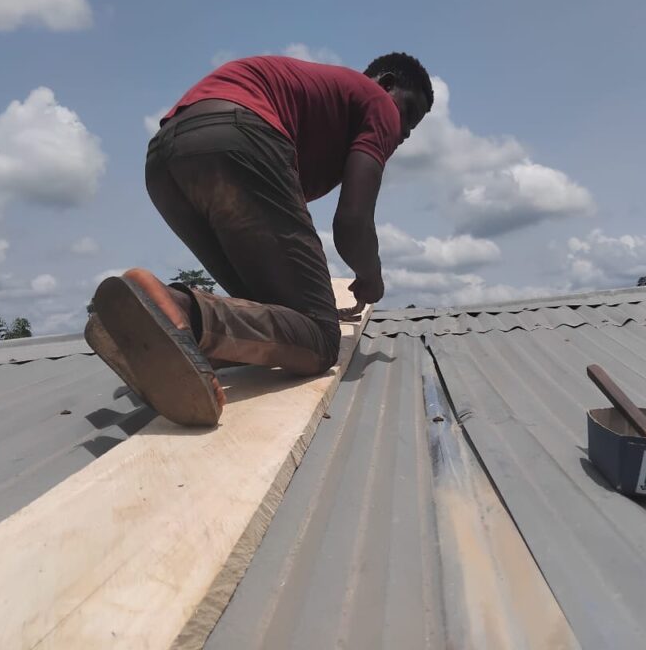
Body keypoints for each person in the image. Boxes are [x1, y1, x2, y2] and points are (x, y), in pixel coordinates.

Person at [86, 53, 433, 426]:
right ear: (386, 83)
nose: (406, 131)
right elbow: (352, 222)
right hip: (235, 137)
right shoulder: (377, 101)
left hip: (166, 159)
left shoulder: (323, 107)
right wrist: (371, 276)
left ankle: (143, 332)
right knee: (318, 337)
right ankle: (177, 308)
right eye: (409, 114)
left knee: (269, 317)